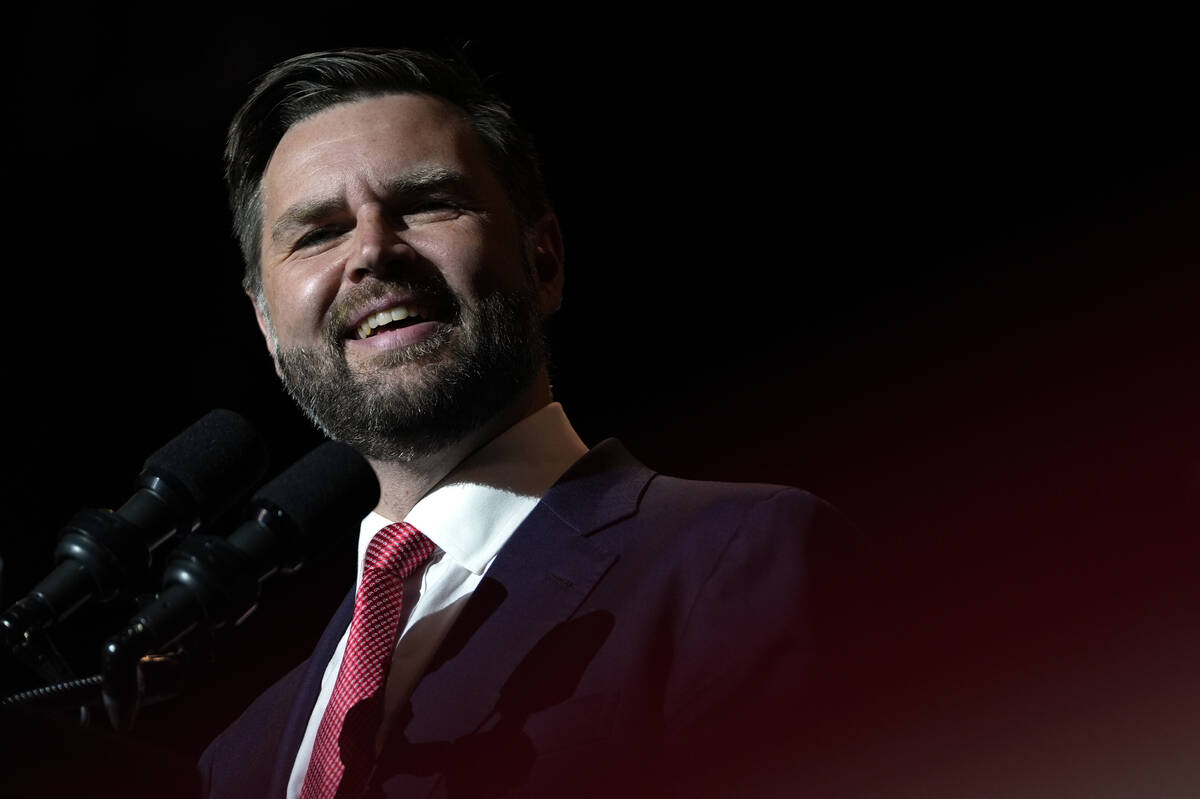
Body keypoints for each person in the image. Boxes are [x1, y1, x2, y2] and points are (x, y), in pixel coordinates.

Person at [198, 46, 855, 799]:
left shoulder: (737, 559)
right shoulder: (237, 760)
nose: (373, 250)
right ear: (270, 332)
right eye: (318, 232)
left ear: (543, 260)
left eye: (425, 202)